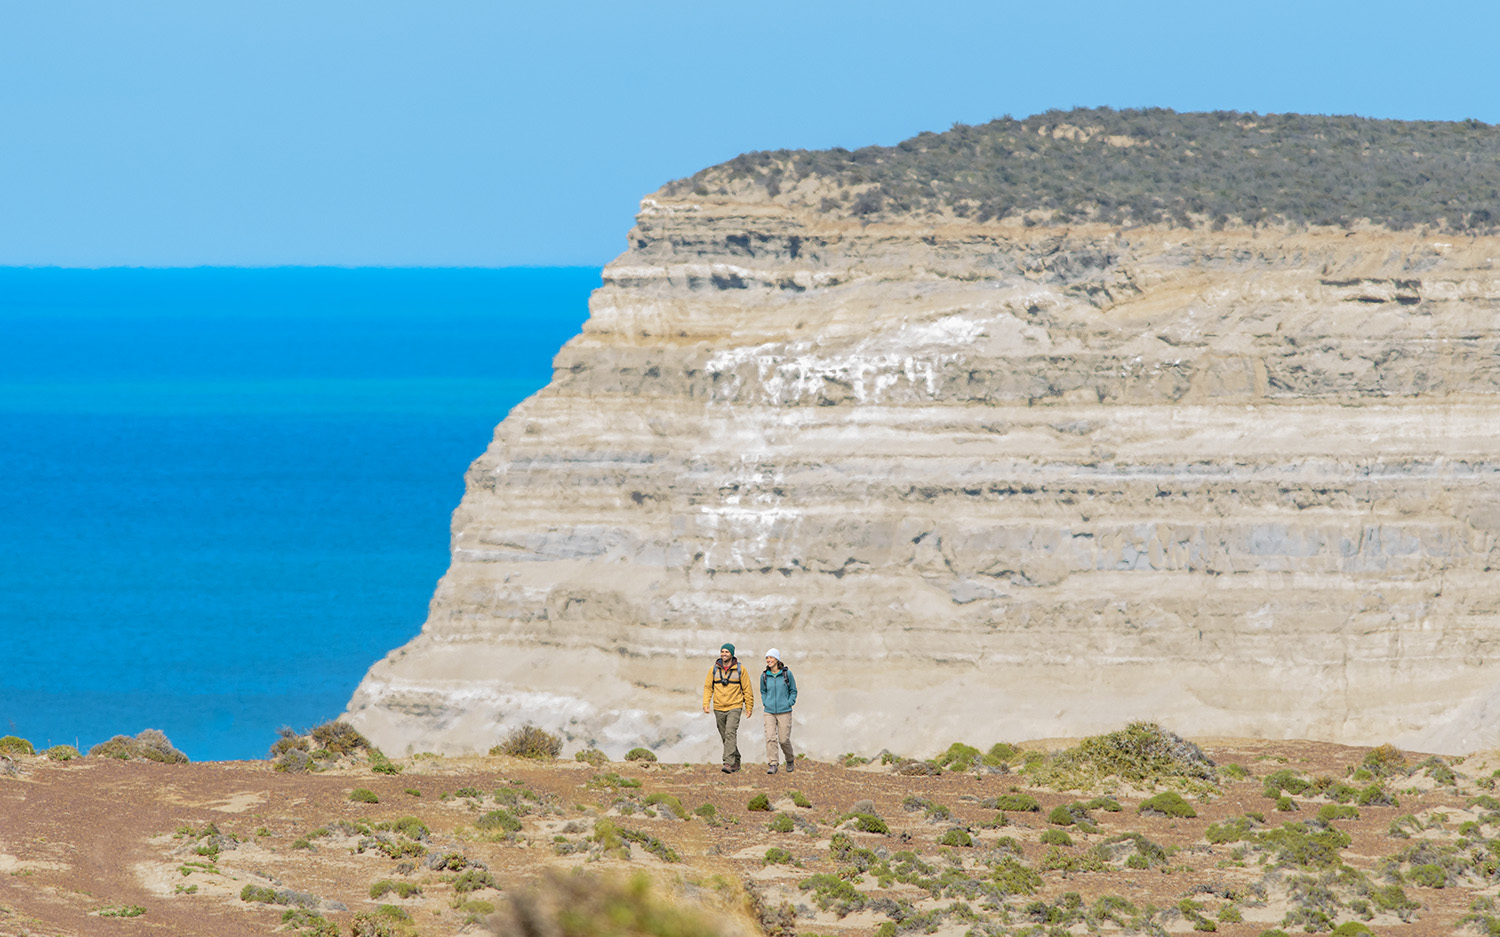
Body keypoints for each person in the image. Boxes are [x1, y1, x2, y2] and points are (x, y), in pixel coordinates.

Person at [703, 642, 753, 773]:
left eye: (726, 652)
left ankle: (728, 763)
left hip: (735, 706)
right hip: (719, 707)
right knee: (725, 736)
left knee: (730, 732)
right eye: (722, 651)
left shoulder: (740, 669)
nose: (724, 654)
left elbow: (747, 689)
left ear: (732, 654)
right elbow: (708, 687)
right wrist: (706, 703)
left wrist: (749, 707)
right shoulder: (714, 669)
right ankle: (736, 760)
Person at [760, 648, 798, 774]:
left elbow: (793, 690)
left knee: (783, 740)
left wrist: (789, 702)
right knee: (770, 738)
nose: (768, 660)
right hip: (769, 711)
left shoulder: (787, 674)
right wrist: (765, 702)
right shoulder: (764, 676)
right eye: (767, 658)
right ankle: (773, 764)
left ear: (777, 659)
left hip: (784, 711)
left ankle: (790, 759)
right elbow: (763, 691)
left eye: (771, 657)